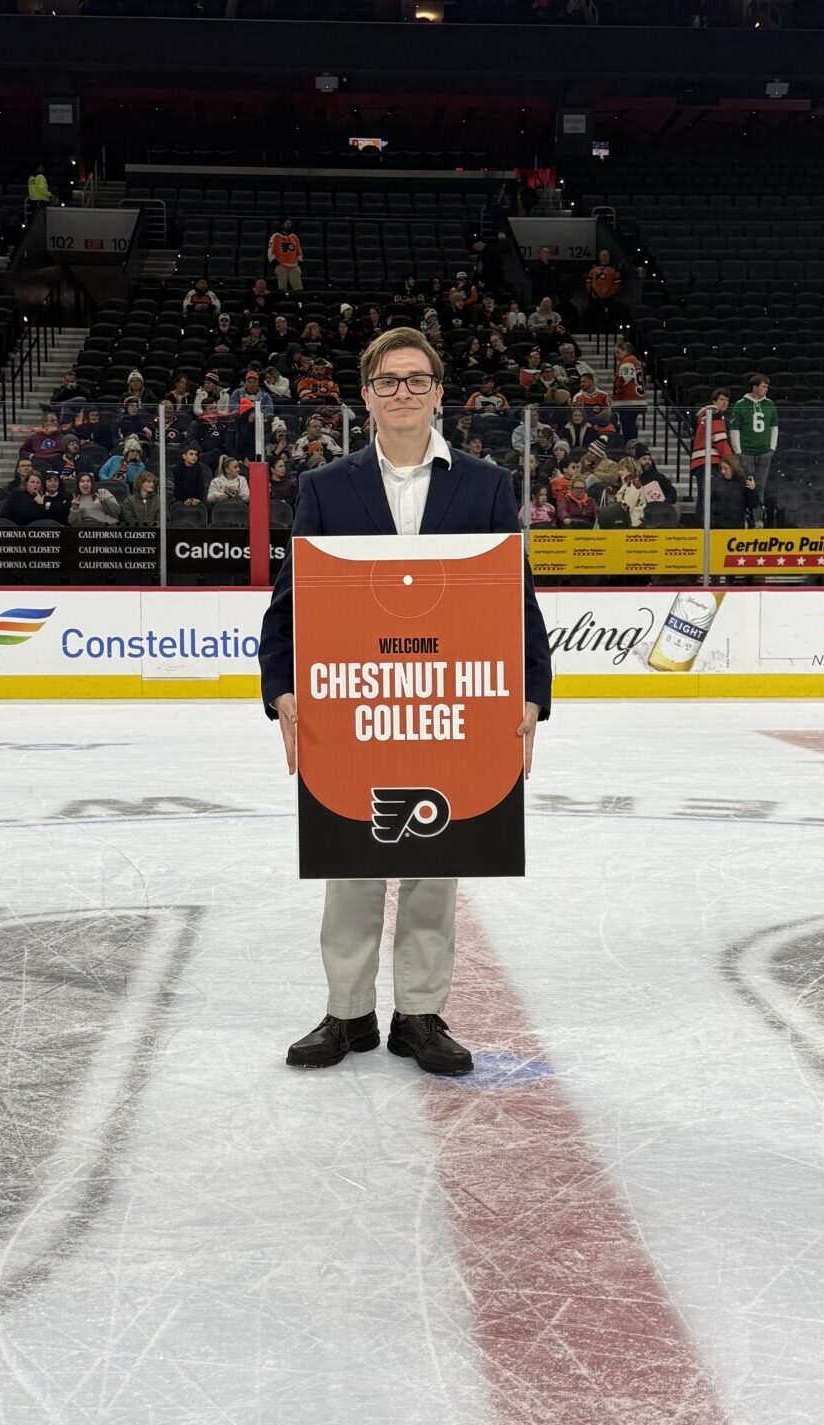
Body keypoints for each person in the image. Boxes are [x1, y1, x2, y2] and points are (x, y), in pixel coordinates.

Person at [258, 328, 552, 1078]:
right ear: (365, 395)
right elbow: (288, 607)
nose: (402, 393)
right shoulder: (326, 488)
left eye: (417, 381)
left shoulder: (484, 484)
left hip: (451, 706)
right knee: (350, 855)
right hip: (356, 706)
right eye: (388, 381)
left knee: (436, 857)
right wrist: (281, 689)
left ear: (439, 393)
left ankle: (420, 1013)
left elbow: (517, 601)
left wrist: (532, 694)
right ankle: (348, 1013)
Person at [733, 373, 777, 527]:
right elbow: (734, 428)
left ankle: (758, 520)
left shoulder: (770, 404)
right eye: (764, 386)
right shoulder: (740, 404)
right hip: (746, 452)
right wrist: (738, 451)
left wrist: (771, 449)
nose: (766, 389)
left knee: (760, 487)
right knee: (746, 485)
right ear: (755, 387)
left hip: (764, 453)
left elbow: (774, 427)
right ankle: (744, 518)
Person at [268, 217, 305, 293]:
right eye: (287, 223)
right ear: (282, 225)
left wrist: (299, 261)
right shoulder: (276, 236)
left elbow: (299, 251)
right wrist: (275, 263)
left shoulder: (294, 237)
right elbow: (271, 250)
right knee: (282, 288)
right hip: (281, 265)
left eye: (290, 224)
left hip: (294, 266)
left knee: (298, 289)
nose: (289, 225)